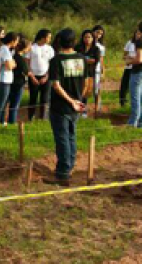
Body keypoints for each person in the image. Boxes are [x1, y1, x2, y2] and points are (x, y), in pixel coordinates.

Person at [45, 29, 88, 187]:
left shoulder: (56, 60)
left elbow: (56, 85)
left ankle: (63, 173)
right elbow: (85, 82)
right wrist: (78, 100)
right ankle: (69, 167)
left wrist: (70, 101)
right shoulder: (82, 59)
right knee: (71, 136)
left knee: (62, 137)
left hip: (62, 105)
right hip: (76, 104)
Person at [0, 32, 17, 126]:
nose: (17, 43)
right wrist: (13, 63)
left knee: (4, 103)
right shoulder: (5, 50)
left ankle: (0, 122)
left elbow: (11, 63)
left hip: (6, 80)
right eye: (16, 41)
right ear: (12, 41)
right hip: (3, 80)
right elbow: (10, 65)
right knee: (0, 103)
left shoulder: (6, 50)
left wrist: (12, 63)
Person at [27, 29, 54, 121]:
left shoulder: (50, 49)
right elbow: (27, 62)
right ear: (43, 37)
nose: (50, 39)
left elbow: (52, 63)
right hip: (33, 76)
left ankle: (43, 117)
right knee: (33, 98)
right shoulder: (31, 48)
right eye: (49, 37)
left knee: (45, 98)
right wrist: (32, 77)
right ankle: (31, 117)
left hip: (46, 77)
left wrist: (46, 76)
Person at [75, 30, 100, 114]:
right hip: (78, 73)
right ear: (82, 38)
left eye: (89, 37)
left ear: (93, 38)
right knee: (77, 91)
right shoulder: (78, 47)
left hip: (89, 74)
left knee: (85, 93)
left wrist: (82, 59)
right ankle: (76, 109)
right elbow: (75, 59)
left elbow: (95, 60)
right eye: (85, 37)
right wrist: (87, 60)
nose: (87, 39)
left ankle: (84, 111)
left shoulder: (96, 49)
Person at [7, 36, 29, 125]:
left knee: (12, 104)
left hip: (14, 82)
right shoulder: (19, 58)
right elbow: (25, 71)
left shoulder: (14, 55)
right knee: (15, 104)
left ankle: (10, 120)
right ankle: (12, 121)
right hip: (18, 83)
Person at [119, 30, 139, 107]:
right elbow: (124, 56)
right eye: (137, 33)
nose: (138, 35)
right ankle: (122, 103)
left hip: (137, 68)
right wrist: (127, 57)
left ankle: (134, 104)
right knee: (124, 85)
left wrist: (132, 58)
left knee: (134, 86)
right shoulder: (130, 43)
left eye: (140, 34)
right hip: (128, 67)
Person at [92, 25, 106, 104]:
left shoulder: (101, 47)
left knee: (97, 89)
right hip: (87, 69)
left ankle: (97, 108)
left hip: (97, 70)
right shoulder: (87, 43)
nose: (98, 35)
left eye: (100, 34)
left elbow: (101, 59)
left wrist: (103, 71)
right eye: (97, 32)